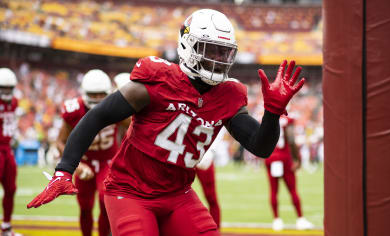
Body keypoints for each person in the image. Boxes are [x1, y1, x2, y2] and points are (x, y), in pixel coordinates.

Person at [27, 9, 305, 236]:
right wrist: (64, 170)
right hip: (130, 190)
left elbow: (261, 146)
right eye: (211, 50)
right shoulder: (157, 80)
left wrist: (272, 112)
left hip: (178, 194)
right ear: (189, 45)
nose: (218, 60)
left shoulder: (228, 95)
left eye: (223, 53)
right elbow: (97, 116)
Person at [56, 69, 117, 236]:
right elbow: (61, 142)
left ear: (108, 93)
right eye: (93, 94)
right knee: (85, 206)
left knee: (105, 202)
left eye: (101, 94)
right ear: (84, 93)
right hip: (85, 162)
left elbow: (133, 128)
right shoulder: (74, 110)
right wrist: (78, 165)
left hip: (108, 162)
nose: (97, 99)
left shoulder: (117, 106)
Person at [264, 115, 314, 231]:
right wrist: (297, 158)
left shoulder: (267, 117)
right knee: (292, 190)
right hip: (284, 158)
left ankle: (276, 220)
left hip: (271, 158)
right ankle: (300, 219)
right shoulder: (287, 120)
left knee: (273, 191)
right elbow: (291, 140)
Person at [0, 68, 21, 236]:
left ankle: (6, 226)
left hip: (7, 149)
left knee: (11, 188)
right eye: (3, 88)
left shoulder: (14, 102)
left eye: (9, 88)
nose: (6, 92)